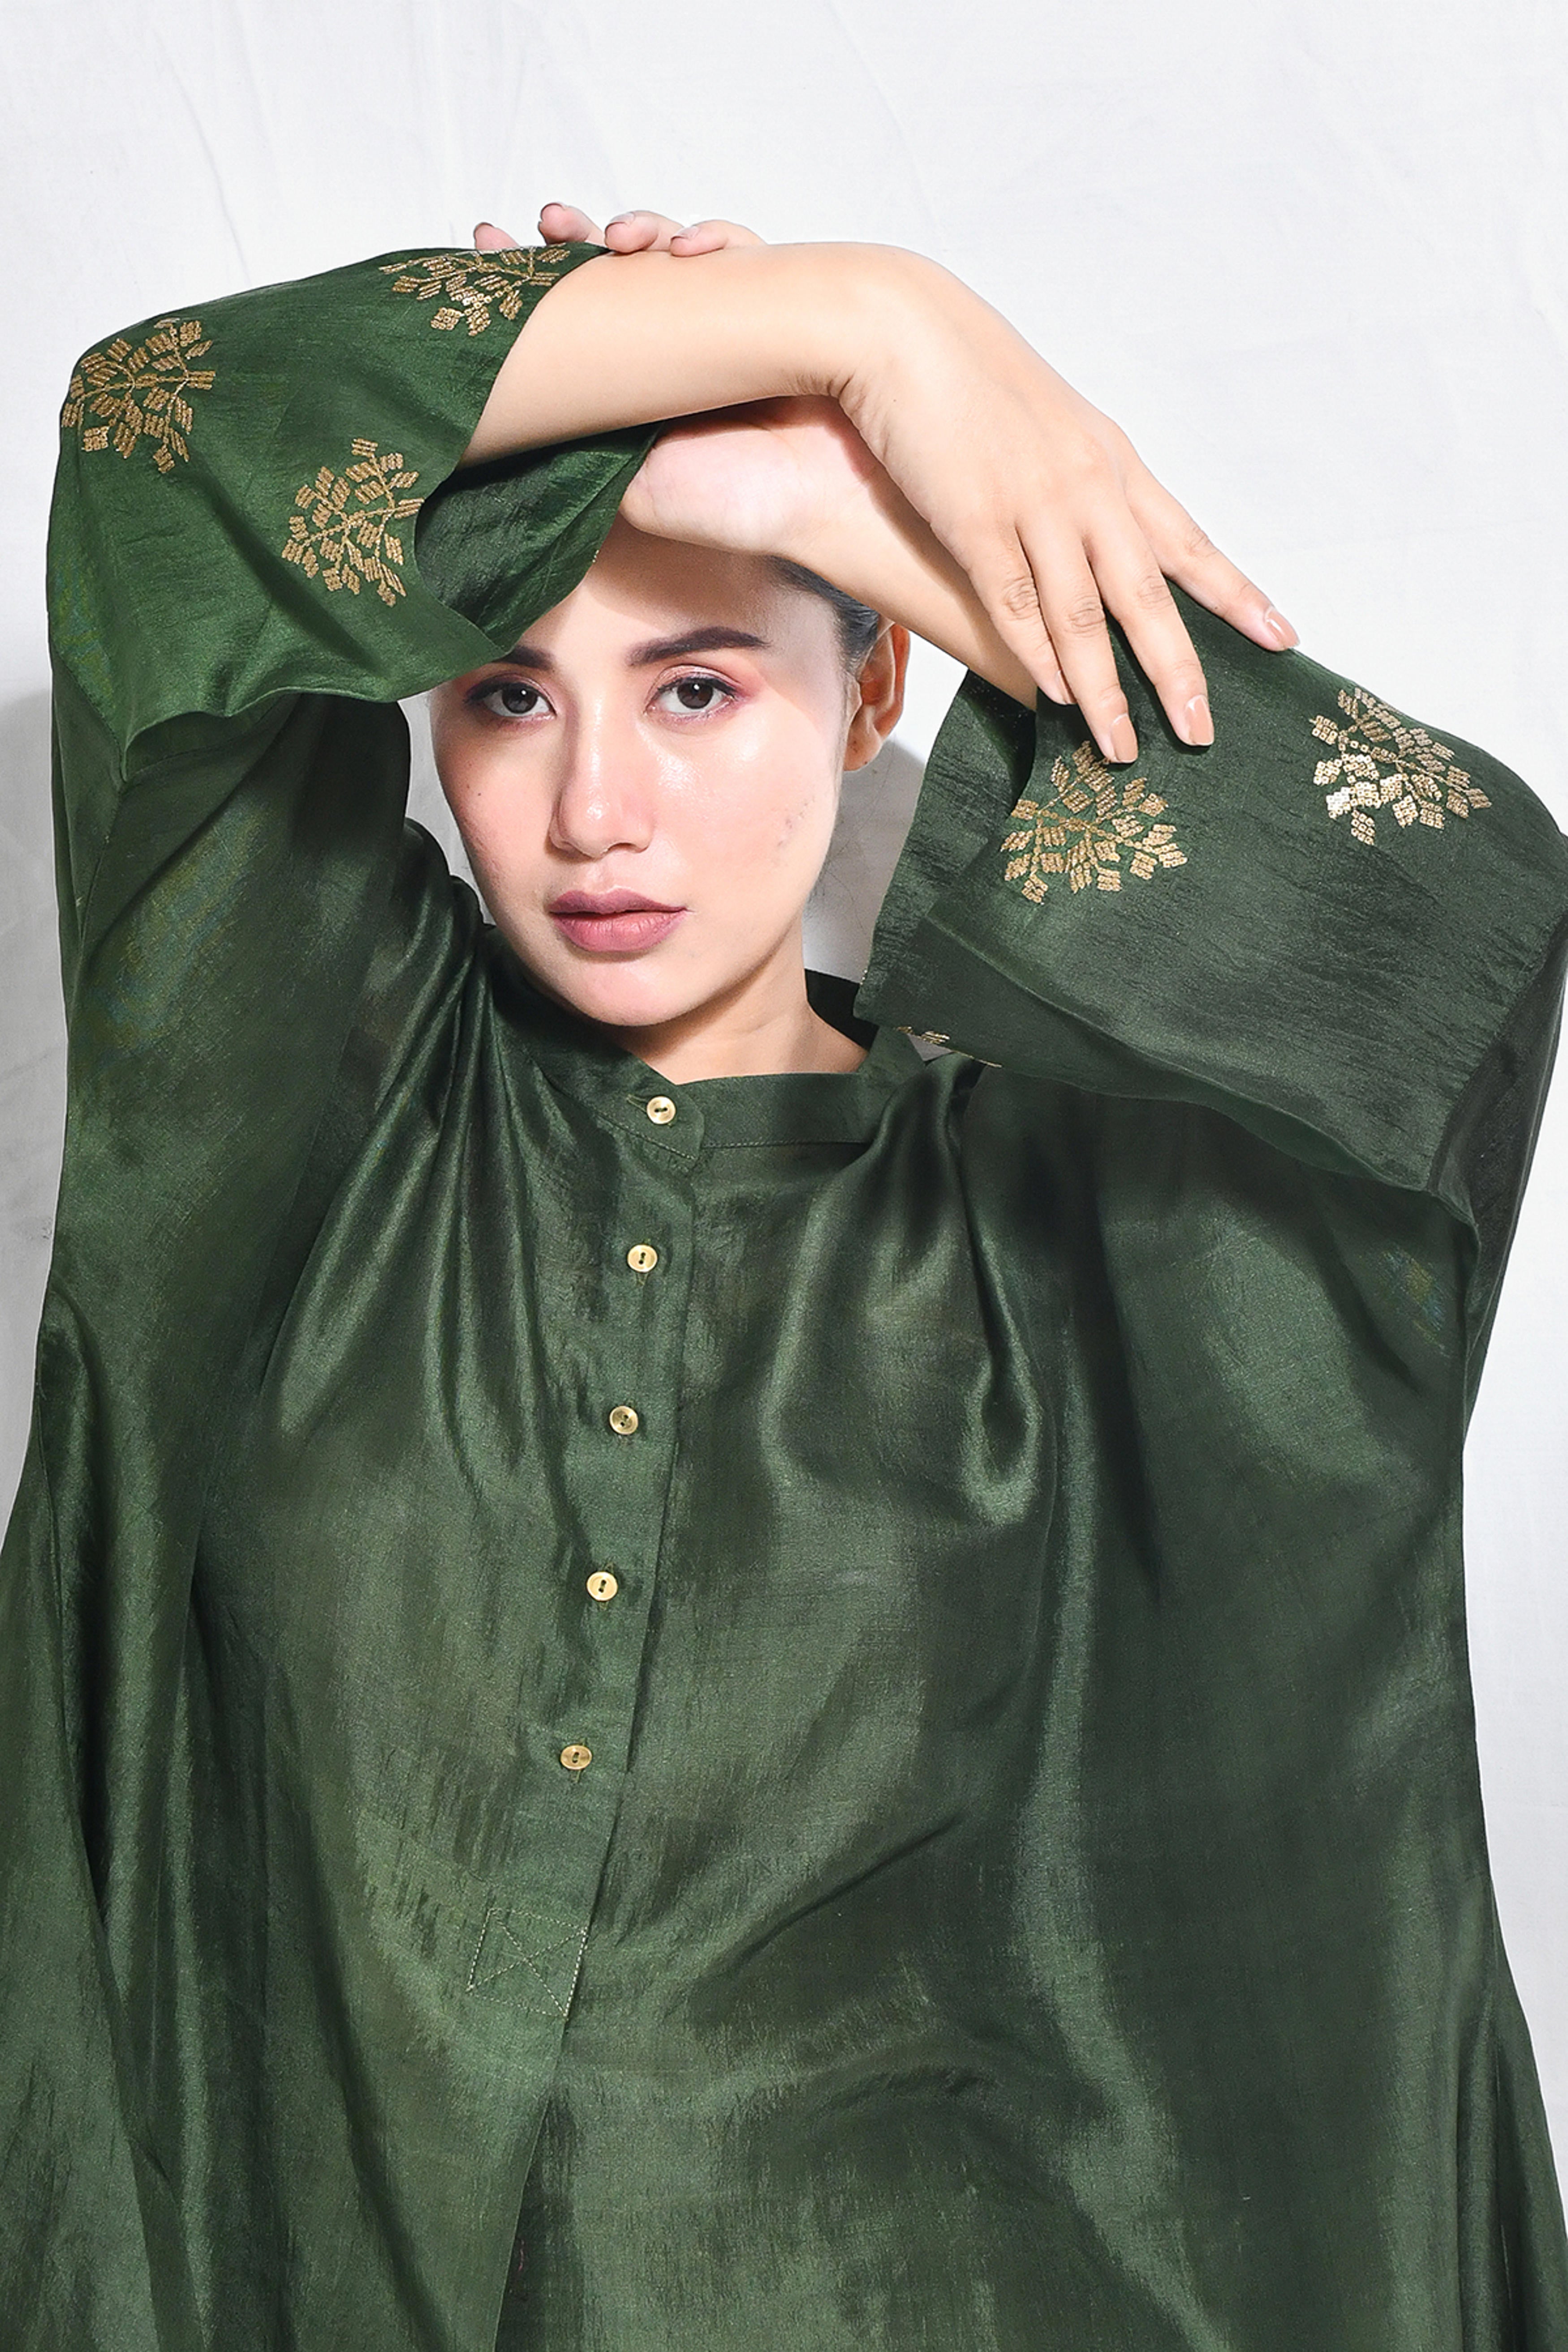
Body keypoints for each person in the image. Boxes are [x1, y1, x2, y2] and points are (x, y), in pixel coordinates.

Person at [4, 195, 1565, 2351]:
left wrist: (841, 507)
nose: (593, 809)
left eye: (699, 682)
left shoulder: (1065, 1222)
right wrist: (859, 326)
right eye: (506, 692)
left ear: (870, 688)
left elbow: (1443, 935)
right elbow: (154, 437)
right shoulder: (313, 1097)